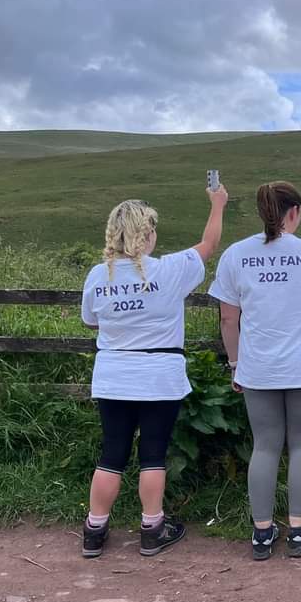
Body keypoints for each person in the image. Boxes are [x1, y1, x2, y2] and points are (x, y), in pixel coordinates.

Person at [79, 184, 229, 558]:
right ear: (146, 235)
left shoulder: (99, 276)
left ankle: (94, 530)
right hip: (160, 374)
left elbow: (91, 321)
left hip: (114, 374)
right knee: (153, 454)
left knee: (111, 453)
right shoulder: (170, 270)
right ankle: (152, 527)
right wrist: (217, 204)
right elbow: (207, 246)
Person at [209, 181, 301, 560]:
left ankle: (261, 533)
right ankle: (300, 532)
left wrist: (235, 364)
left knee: (265, 446)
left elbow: (227, 317)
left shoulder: (237, 255)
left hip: (257, 368)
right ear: (294, 212)